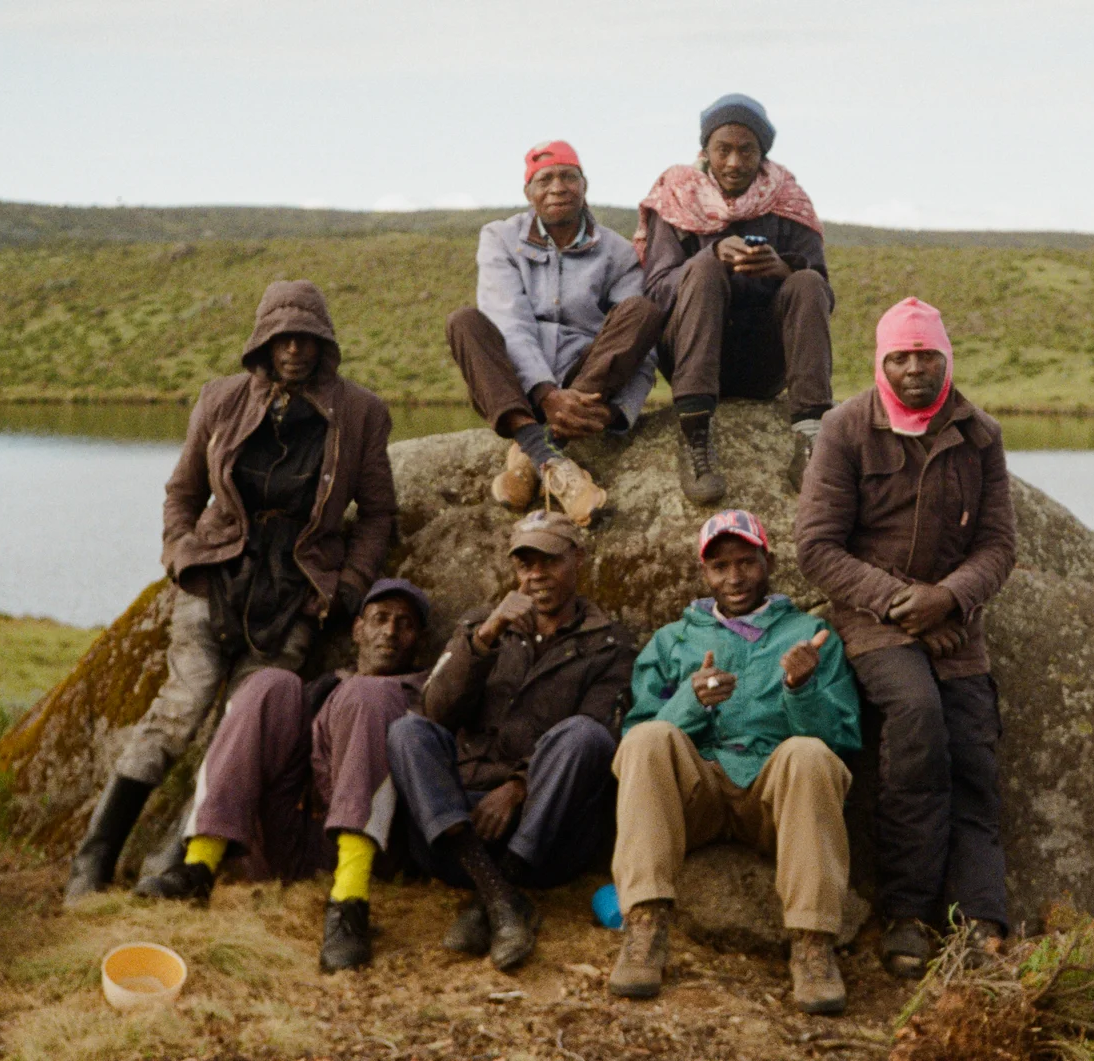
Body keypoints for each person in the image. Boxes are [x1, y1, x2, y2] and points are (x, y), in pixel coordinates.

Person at [64, 280, 398, 907]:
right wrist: (180, 553)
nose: (294, 349)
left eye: (307, 337)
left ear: (326, 343)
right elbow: (182, 491)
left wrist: (348, 586)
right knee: (178, 710)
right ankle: (94, 858)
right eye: (281, 337)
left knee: (237, 730)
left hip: (295, 596)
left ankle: (175, 863)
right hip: (215, 579)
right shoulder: (219, 400)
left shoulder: (361, 414)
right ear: (262, 343)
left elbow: (378, 514)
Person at [795, 297, 1017, 978]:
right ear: (881, 359)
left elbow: (998, 544)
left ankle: (982, 915)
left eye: (927, 354)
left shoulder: (979, 433)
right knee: (917, 717)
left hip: (954, 624)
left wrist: (947, 598)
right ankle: (908, 914)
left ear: (946, 356)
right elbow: (817, 548)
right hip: (872, 618)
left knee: (973, 750)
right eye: (902, 355)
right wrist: (901, 604)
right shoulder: (845, 428)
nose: (915, 367)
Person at [610, 510, 861, 1014]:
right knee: (649, 740)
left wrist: (801, 688)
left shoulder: (809, 633)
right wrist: (689, 701)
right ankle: (645, 926)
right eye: (720, 566)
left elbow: (843, 741)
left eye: (746, 562)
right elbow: (634, 736)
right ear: (704, 574)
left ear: (767, 561)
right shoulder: (673, 640)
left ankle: (812, 945)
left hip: (771, 801)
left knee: (808, 754)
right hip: (695, 799)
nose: (734, 577)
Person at [132, 579, 431, 972]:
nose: (391, 632)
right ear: (358, 629)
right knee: (270, 683)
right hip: (284, 836)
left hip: (365, 850)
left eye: (405, 623)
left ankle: (349, 905)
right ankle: (200, 866)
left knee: (370, 694)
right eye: (380, 619)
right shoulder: (325, 686)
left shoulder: (424, 691)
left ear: (418, 640)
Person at [386, 511, 636, 970]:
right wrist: (486, 636)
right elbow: (435, 710)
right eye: (525, 564)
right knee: (407, 731)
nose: (536, 575)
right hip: (457, 833)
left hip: (545, 839)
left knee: (585, 735)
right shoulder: (481, 624)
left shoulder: (610, 644)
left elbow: (604, 735)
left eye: (549, 561)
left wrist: (518, 787)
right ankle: (501, 899)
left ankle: (502, 889)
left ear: (578, 558)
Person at [446, 140, 666, 526]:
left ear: (584, 185)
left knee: (643, 312)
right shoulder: (499, 237)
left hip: (588, 387)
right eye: (545, 179)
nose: (558, 187)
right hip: (521, 390)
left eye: (569, 176)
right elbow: (509, 322)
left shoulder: (618, 252)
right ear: (528, 192)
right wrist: (546, 394)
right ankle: (546, 451)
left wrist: (614, 411)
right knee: (465, 322)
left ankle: (529, 457)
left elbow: (640, 349)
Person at [635, 94, 834, 502]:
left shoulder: (788, 201)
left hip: (763, 364)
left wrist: (783, 270)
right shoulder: (676, 197)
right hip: (694, 358)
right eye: (722, 149)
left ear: (762, 154)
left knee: (807, 282)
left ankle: (812, 440)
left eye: (747, 150)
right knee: (705, 268)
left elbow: (824, 296)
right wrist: (709, 256)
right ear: (705, 150)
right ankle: (695, 437)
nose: (733, 162)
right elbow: (655, 290)